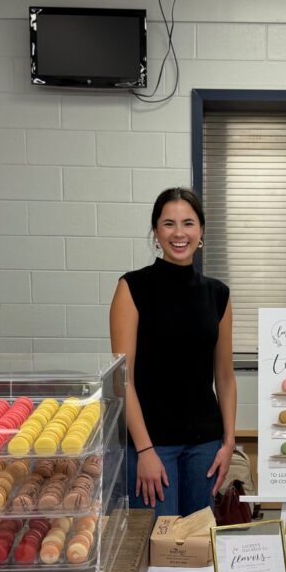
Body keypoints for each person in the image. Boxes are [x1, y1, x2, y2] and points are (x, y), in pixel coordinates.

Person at [109, 187, 237, 516]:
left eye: (188, 223)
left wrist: (229, 441)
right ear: (155, 232)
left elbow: (224, 376)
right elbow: (123, 380)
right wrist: (145, 450)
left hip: (205, 446)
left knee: (199, 547)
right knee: (156, 548)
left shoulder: (218, 294)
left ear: (202, 231)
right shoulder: (132, 288)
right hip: (152, 444)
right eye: (168, 223)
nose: (179, 233)